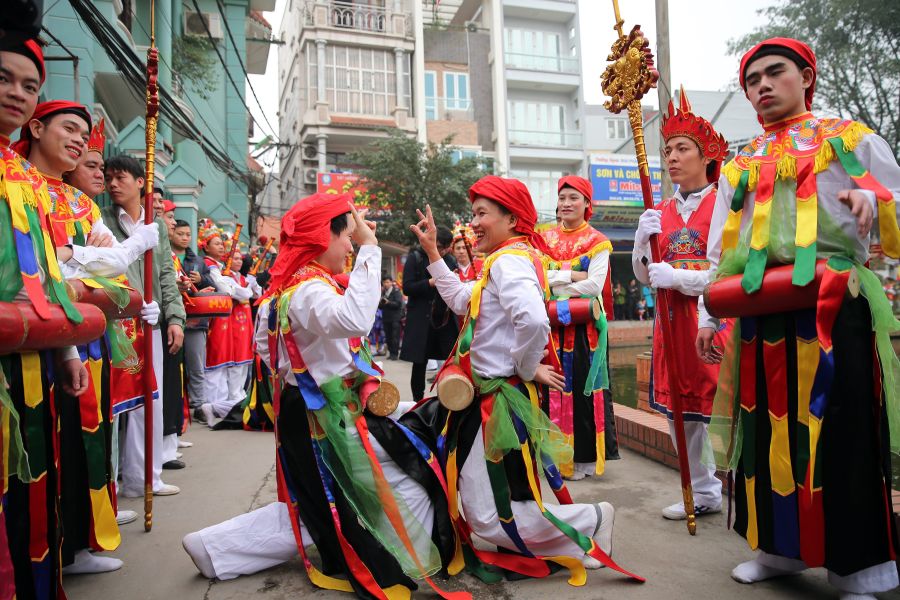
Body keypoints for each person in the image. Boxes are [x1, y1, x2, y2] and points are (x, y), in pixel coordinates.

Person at [696, 38, 900, 599]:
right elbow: (719, 249)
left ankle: (856, 567)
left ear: (806, 75)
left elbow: (896, 199)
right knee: (766, 432)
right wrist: (706, 315)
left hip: (835, 306)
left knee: (842, 431)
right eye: (752, 79)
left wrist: (872, 204)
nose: (762, 85)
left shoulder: (850, 139)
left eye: (775, 72)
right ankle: (777, 549)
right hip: (764, 313)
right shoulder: (740, 163)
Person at [182, 195, 457, 598]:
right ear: (319, 237)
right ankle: (219, 546)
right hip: (320, 415)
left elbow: (266, 348)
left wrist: (311, 374)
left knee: (329, 499)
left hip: (313, 409)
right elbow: (355, 320)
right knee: (339, 501)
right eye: (346, 236)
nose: (350, 246)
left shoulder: (291, 286)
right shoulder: (309, 289)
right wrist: (372, 248)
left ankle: (216, 548)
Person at [406, 176, 640, 583]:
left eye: (482, 213)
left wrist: (526, 365)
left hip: (496, 401)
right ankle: (580, 530)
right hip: (485, 400)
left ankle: (591, 520)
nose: (473, 222)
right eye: (474, 213)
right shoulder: (504, 257)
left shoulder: (510, 259)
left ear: (512, 219)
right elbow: (463, 301)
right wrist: (431, 253)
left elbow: (532, 320)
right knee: (496, 505)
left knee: (491, 516)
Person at [18, 100, 161, 575]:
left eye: (87, 137)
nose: (81, 143)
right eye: (72, 131)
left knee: (87, 437)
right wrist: (87, 258)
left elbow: (111, 269)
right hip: (32, 337)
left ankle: (77, 542)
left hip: (86, 337)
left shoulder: (77, 202)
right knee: (40, 447)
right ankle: (48, 550)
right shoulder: (18, 185)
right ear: (36, 129)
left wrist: (80, 260)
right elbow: (44, 268)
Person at [0, 38, 91, 599]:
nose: (17, 93)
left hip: (25, 360)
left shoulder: (24, 181)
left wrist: (66, 349)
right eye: (5, 78)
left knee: (25, 492)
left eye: (30, 85)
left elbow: (41, 276)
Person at [632, 89, 731, 521]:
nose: (672, 157)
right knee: (679, 414)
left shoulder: (725, 202)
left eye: (682, 148)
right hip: (670, 322)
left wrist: (681, 279)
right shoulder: (661, 210)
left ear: (706, 154)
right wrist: (641, 241)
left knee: (724, 408)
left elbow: (728, 273)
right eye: (668, 149)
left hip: (715, 318)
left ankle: (745, 489)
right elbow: (644, 274)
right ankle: (702, 490)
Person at [102, 153, 186, 498]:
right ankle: (110, 485)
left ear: (141, 182)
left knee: (150, 400)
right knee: (114, 404)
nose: (112, 184)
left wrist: (175, 317)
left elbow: (166, 272)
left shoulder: (154, 227)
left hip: (150, 322)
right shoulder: (103, 219)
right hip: (114, 322)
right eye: (109, 177)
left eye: (120, 177)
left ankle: (145, 478)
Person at [541, 175, 618, 479]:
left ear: (587, 203)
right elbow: (537, 278)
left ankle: (582, 460)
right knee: (550, 390)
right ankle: (552, 455)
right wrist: (573, 276)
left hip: (585, 335)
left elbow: (594, 285)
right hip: (550, 329)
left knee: (582, 394)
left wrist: (555, 279)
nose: (566, 204)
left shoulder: (597, 241)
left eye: (573, 198)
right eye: (562, 198)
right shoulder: (543, 238)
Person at [198, 222, 252, 424]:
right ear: (206, 245)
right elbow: (229, 290)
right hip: (216, 319)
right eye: (217, 243)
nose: (221, 247)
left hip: (229, 320)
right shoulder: (210, 266)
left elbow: (245, 293)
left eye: (222, 244)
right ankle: (213, 407)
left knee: (232, 362)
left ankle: (223, 407)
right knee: (217, 363)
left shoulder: (221, 268)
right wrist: (232, 286)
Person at [400, 226, 459, 402]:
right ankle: (417, 401)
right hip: (421, 321)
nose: (437, 250)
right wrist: (431, 282)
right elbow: (408, 287)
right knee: (419, 364)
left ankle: (449, 400)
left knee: (451, 362)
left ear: (448, 248)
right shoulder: (416, 257)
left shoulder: (450, 261)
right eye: (436, 245)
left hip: (445, 321)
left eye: (442, 247)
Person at [170, 219, 215, 423]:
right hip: (171, 317)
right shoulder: (166, 257)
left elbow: (212, 284)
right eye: (180, 233)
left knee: (196, 364)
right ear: (171, 234)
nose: (185, 238)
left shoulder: (197, 261)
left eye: (188, 234)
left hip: (195, 319)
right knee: (172, 365)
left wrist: (201, 281)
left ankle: (198, 405)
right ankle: (177, 406)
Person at [379, 276, 403, 360]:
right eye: (385, 282)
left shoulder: (396, 291)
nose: (386, 284)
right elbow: (380, 307)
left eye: (388, 282)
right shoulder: (383, 293)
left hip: (395, 318)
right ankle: (390, 353)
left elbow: (398, 304)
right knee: (388, 336)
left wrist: (388, 302)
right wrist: (381, 303)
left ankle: (395, 354)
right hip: (386, 318)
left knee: (394, 337)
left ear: (391, 282)